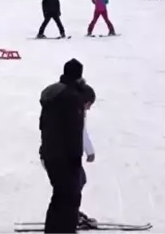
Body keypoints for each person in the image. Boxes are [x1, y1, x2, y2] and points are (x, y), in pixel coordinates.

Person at [38, 59, 91, 234]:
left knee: (61, 197)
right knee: (69, 198)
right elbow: (74, 131)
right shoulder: (71, 97)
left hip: (51, 153)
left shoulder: (56, 94)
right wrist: (76, 158)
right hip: (65, 157)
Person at [77, 85, 98, 229]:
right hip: (63, 156)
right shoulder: (75, 112)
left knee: (79, 181)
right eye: (89, 104)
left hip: (64, 155)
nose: (89, 108)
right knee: (74, 183)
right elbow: (81, 133)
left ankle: (72, 212)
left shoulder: (76, 110)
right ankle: (69, 215)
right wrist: (90, 151)